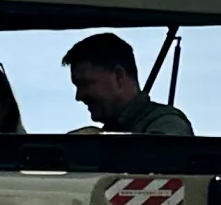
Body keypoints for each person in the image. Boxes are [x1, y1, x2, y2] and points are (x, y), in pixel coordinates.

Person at [61, 32, 193, 136]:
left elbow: (165, 159)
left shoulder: (169, 123)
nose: (79, 96)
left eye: (85, 84)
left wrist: (96, 142)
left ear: (119, 76)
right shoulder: (113, 129)